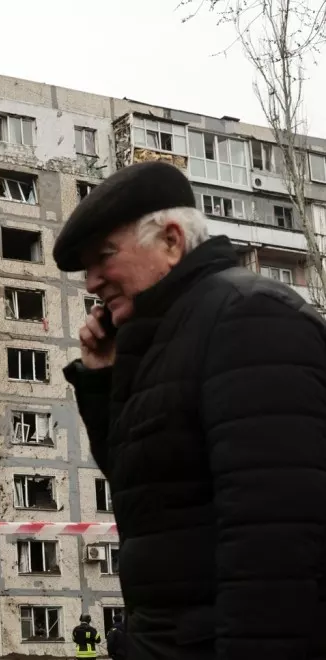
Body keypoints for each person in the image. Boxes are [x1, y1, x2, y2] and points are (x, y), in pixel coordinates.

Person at [53, 160, 326, 660]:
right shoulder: (164, 337)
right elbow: (153, 495)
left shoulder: (249, 318)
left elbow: (276, 544)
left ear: (172, 241)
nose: (91, 282)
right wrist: (102, 377)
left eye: (103, 257)